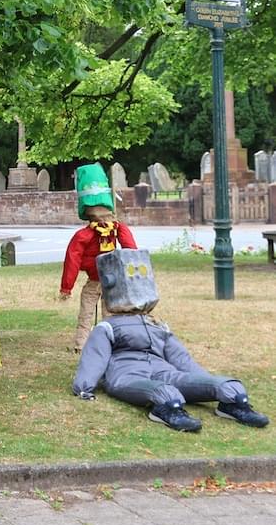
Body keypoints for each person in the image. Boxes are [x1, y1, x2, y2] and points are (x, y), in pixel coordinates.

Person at [72, 248, 269, 432]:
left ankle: (233, 401)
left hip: (164, 371)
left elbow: (181, 358)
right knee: (165, 392)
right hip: (126, 374)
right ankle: (166, 408)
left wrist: (205, 382)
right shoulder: (107, 328)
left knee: (228, 386)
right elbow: (95, 359)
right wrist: (84, 387)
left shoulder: (157, 325)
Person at [59, 162, 136, 351]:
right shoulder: (117, 228)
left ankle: (81, 344)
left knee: (86, 312)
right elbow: (131, 249)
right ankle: (110, 343)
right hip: (113, 279)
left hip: (94, 280)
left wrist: (66, 288)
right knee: (110, 314)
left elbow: (72, 261)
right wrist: (132, 272)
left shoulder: (83, 236)